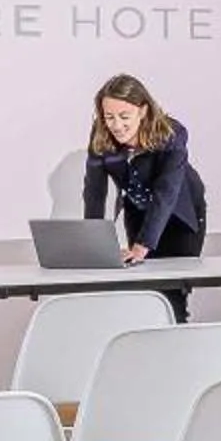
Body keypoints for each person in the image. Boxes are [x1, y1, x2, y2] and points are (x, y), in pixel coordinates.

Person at [83, 74, 208, 319]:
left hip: (180, 217)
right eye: (109, 117)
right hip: (139, 211)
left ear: (143, 111)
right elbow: (94, 192)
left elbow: (166, 193)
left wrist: (143, 246)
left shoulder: (172, 133)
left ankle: (176, 347)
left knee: (171, 296)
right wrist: (93, 244)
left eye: (124, 116)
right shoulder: (101, 135)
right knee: (142, 292)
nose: (116, 125)